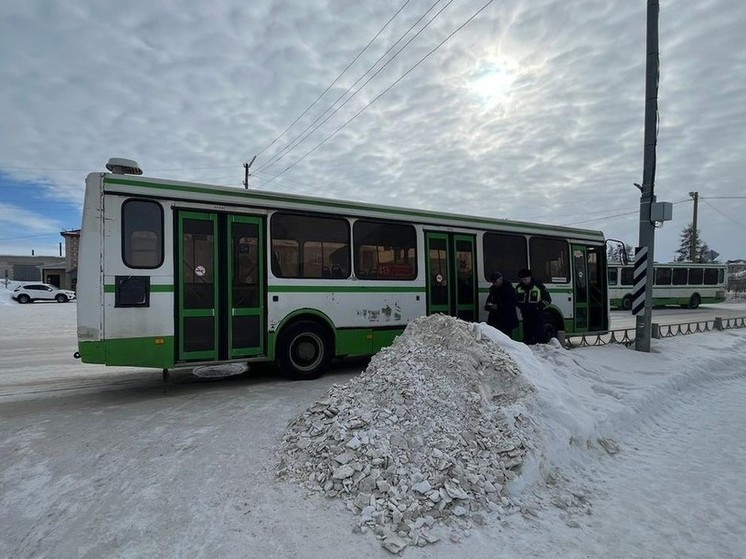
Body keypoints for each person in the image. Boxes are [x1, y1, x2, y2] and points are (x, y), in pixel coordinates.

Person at [515, 268, 552, 345]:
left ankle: (540, 352)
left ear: (529, 277)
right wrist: (521, 307)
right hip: (525, 315)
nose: (523, 281)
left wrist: (538, 307)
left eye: (525, 279)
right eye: (522, 279)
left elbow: (547, 299)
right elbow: (516, 300)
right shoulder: (519, 287)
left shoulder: (539, 286)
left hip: (537, 315)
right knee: (527, 337)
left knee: (539, 336)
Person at [484, 271, 518, 338]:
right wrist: (491, 306)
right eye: (493, 282)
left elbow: (511, 304)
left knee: (506, 338)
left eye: (495, 282)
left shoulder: (509, 290)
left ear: (500, 279)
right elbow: (488, 302)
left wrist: (498, 307)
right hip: (495, 319)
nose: (494, 284)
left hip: (506, 320)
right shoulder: (493, 289)